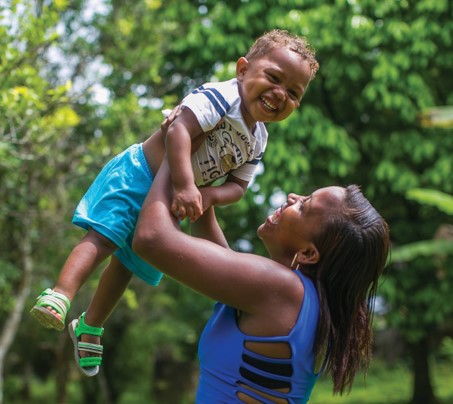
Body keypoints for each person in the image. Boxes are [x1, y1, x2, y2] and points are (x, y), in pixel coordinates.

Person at [30, 29, 320, 376]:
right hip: (139, 174)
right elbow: (178, 130)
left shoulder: (258, 139)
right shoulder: (222, 97)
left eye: (292, 92)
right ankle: (60, 294)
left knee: (129, 267)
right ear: (243, 69)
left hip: (170, 202)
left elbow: (238, 187)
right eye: (273, 78)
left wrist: (209, 193)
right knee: (104, 237)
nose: (279, 94)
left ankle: (90, 325)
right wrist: (185, 183)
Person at [129, 158, 390, 402]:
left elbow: (151, 239)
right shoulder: (305, 302)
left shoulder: (283, 289)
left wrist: (172, 153)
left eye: (303, 205)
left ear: (309, 253)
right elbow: (217, 258)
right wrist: (200, 172)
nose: (292, 198)